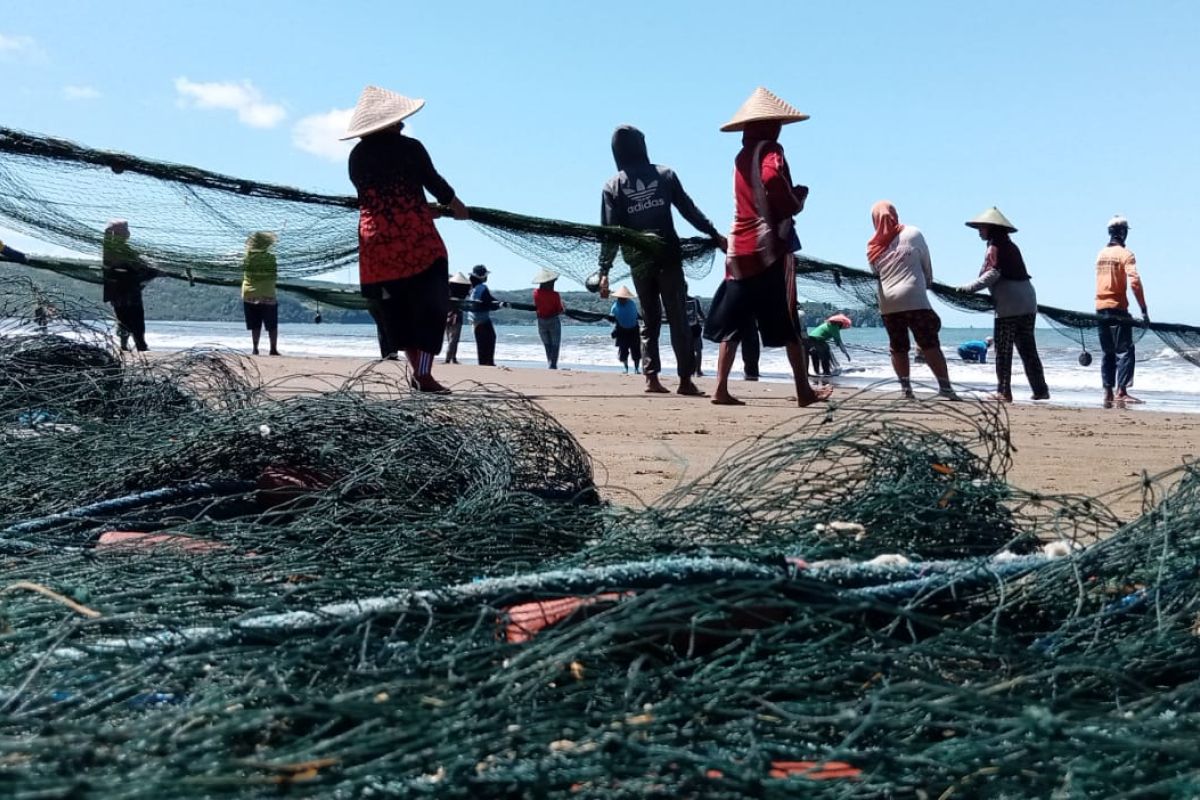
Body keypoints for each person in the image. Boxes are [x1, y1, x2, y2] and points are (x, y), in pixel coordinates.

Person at [704, 87, 830, 408]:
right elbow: (773, 180)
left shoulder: (740, 157)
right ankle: (804, 390)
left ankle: (720, 387)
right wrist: (795, 200)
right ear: (770, 125)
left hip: (738, 250)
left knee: (734, 320)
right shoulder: (771, 150)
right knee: (788, 320)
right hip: (769, 249)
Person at [344, 85, 468, 393]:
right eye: (398, 120)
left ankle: (419, 372)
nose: (401, 124)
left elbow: (378, 199)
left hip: (375, 246)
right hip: (415, 242)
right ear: (387, 123)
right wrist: (456, 205)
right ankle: (423, 375)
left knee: (399, 311)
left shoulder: (356, 156)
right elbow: (432, 181)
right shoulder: (409, 148)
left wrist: (420, 207)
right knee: (431, 305)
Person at [598, 125, 724, 396]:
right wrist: (713, 232)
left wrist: (604, 270)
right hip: (667, 255)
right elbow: (689, 210)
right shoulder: (664, 175)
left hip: (638, 260)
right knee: (678, 316)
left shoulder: (612, 185)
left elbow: (610, 231)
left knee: (649, 319)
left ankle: (651, 378)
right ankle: (685, 381)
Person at [865, 201, 958, 399]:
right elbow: (926, 263)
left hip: (888, 304)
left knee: (898, 347)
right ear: (894, 214)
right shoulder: (913, 233)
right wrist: (928, 283)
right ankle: (946, 388)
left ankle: (906, 391)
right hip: (914, 299)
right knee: (929, 344)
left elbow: (876, 272)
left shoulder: (872, 246)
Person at [957, 207, 1049, 403]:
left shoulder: (996, 247)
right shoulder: (1010, 246)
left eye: (982, 228)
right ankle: (1041, 390)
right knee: (1027, 349)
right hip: (1028, 301)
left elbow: (993, 274)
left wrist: (969, 288)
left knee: (1003, 350)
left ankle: (1004, 392)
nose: (979, 231)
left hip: (1010, 307)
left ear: (991, 228)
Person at [1095, 214, 1148, 407]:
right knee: (1125, 351)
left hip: (1100, 308)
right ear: (1123, 233)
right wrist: (1143, 309)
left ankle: (1108, 392)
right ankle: (1121, 391)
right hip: (1118, 309)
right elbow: (1134, 282)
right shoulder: (1126, 255)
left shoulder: (1100, 254)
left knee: (1107, 351)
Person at [101, 220, 155, 352]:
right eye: (123, 231)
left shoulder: (124, 250)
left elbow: (139, 265)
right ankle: (134, 344)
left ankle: (137, 344)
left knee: (131, 319)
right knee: (128, 318)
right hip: (121, 290)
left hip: (127, 290)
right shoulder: (111, 249)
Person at [241, 231, 280, 356]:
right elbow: (274, 273)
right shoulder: (271, 258)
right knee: (272, 324)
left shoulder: (247, 257)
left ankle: (255, 348)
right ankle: (273, 349)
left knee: (255, 324)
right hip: (267, 293)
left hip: (249, 294)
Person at [532, 268, 565, 369]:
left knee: (547, 343)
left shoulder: (536, 293)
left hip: (541, 320)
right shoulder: (555, 295)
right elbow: (559, 309)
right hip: (553, 320)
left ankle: (550, 362)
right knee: (555, 343)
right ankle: (553, 364)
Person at [469, 264, 500, 366]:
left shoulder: (473, 288)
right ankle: (488, 363)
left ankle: (483, 363)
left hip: (474, 320)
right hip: (483, 319)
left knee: (481, 343)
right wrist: (499, 304)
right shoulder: (482, 288)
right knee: (490, 339)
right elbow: (489, 301)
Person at [807, 314, 852, 380]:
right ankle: (826, 373)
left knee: (815, 356)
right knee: (825, 356)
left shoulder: (827, 324)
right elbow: (839, 342)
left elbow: (824, 334)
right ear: (840, 323)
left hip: (810, 340)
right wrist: (846, 354)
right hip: (817, 340)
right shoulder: (834, 327)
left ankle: (817, 373)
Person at [610, 285, 642, 373]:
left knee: (636, 350)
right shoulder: (615, 306)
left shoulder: (632, 304)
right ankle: (626, 368)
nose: (622, 299)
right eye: (620, 298)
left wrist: (643, 318)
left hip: (634, 329)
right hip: (622, 330)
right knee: (623, 350)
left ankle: (636, 369)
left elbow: (636, 315)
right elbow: (612, 318)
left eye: (624, 298)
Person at [444, 271, 470, 364]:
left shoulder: (447, 294)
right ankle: (450, 358)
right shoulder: (460, 297)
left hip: (447, 316)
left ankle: (452, 357)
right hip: (456, 316)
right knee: (454, 339)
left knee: (450, 338)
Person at [685, 294, 706, 376]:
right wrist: (706, 321)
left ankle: (688, 370)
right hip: (695, 327)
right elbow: (700, 313)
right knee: (698, 350)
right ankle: (698, 371)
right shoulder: (695, 301)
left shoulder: (678, 301)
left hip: (684, 329)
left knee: (686, 351)